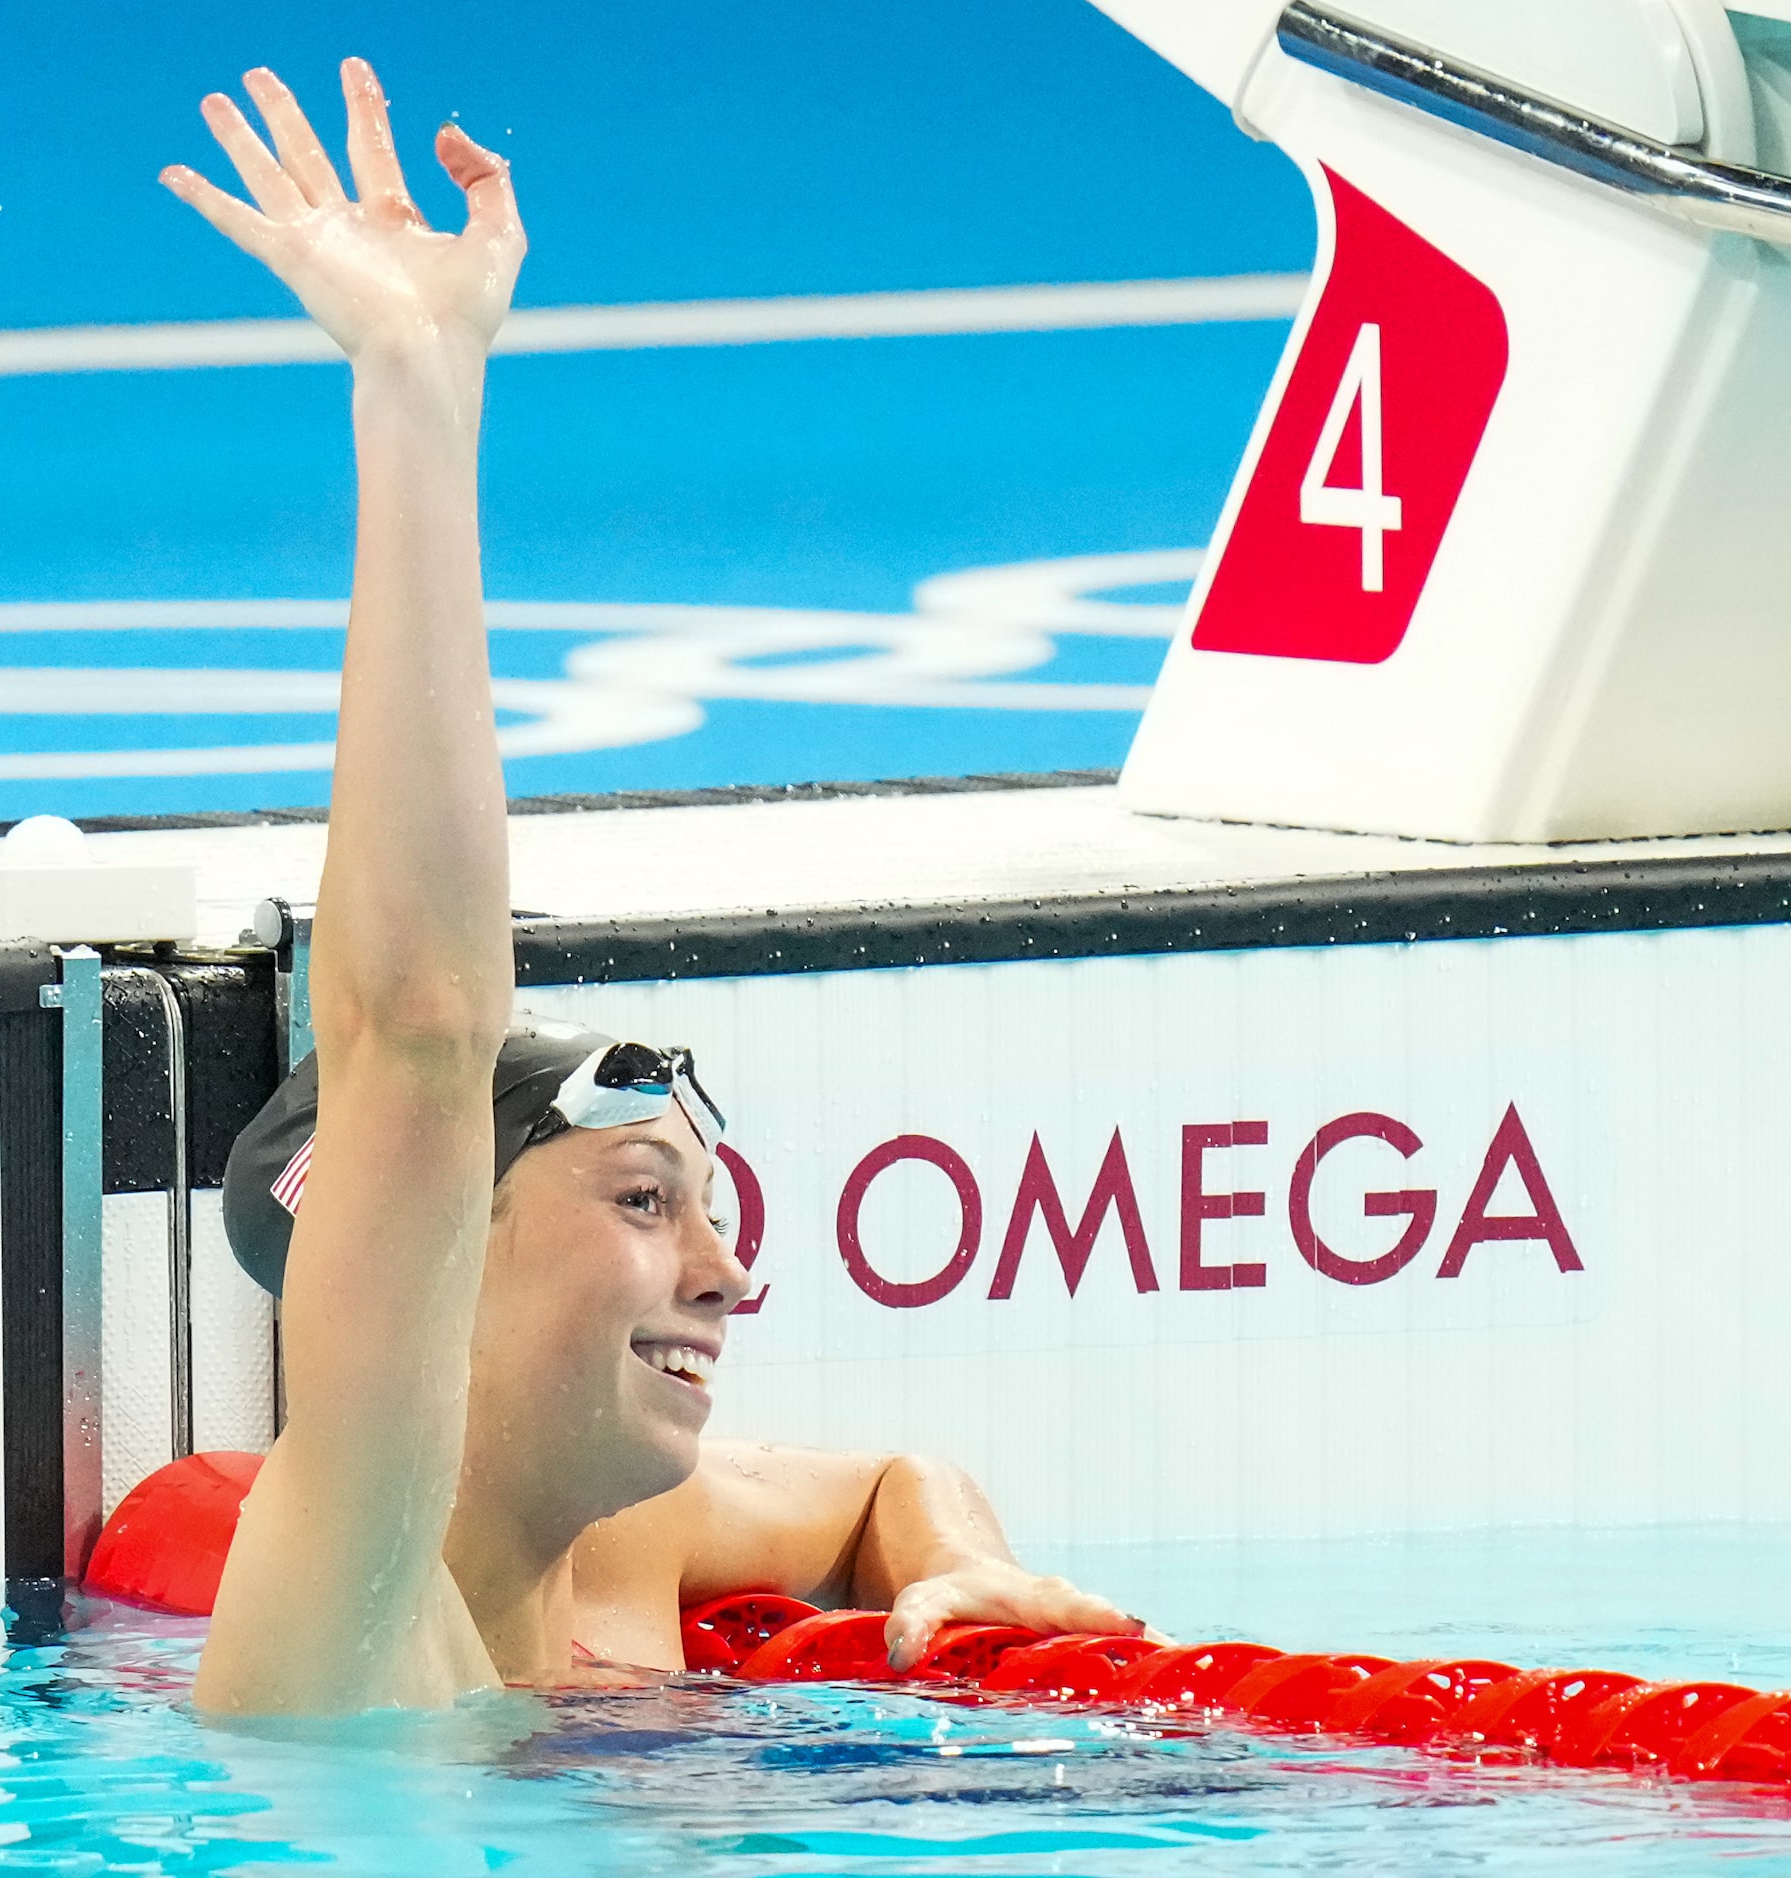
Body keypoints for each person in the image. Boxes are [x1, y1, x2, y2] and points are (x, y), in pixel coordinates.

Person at [167, 60, 1143, 1714]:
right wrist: (416, 382)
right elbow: (415, 1021)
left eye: (696, 1204)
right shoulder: (357, 1633)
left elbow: (887, 1478)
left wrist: (956, 1550)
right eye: (642, 1199)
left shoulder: (616, 1549)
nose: (730, 1270)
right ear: (430, 1252)